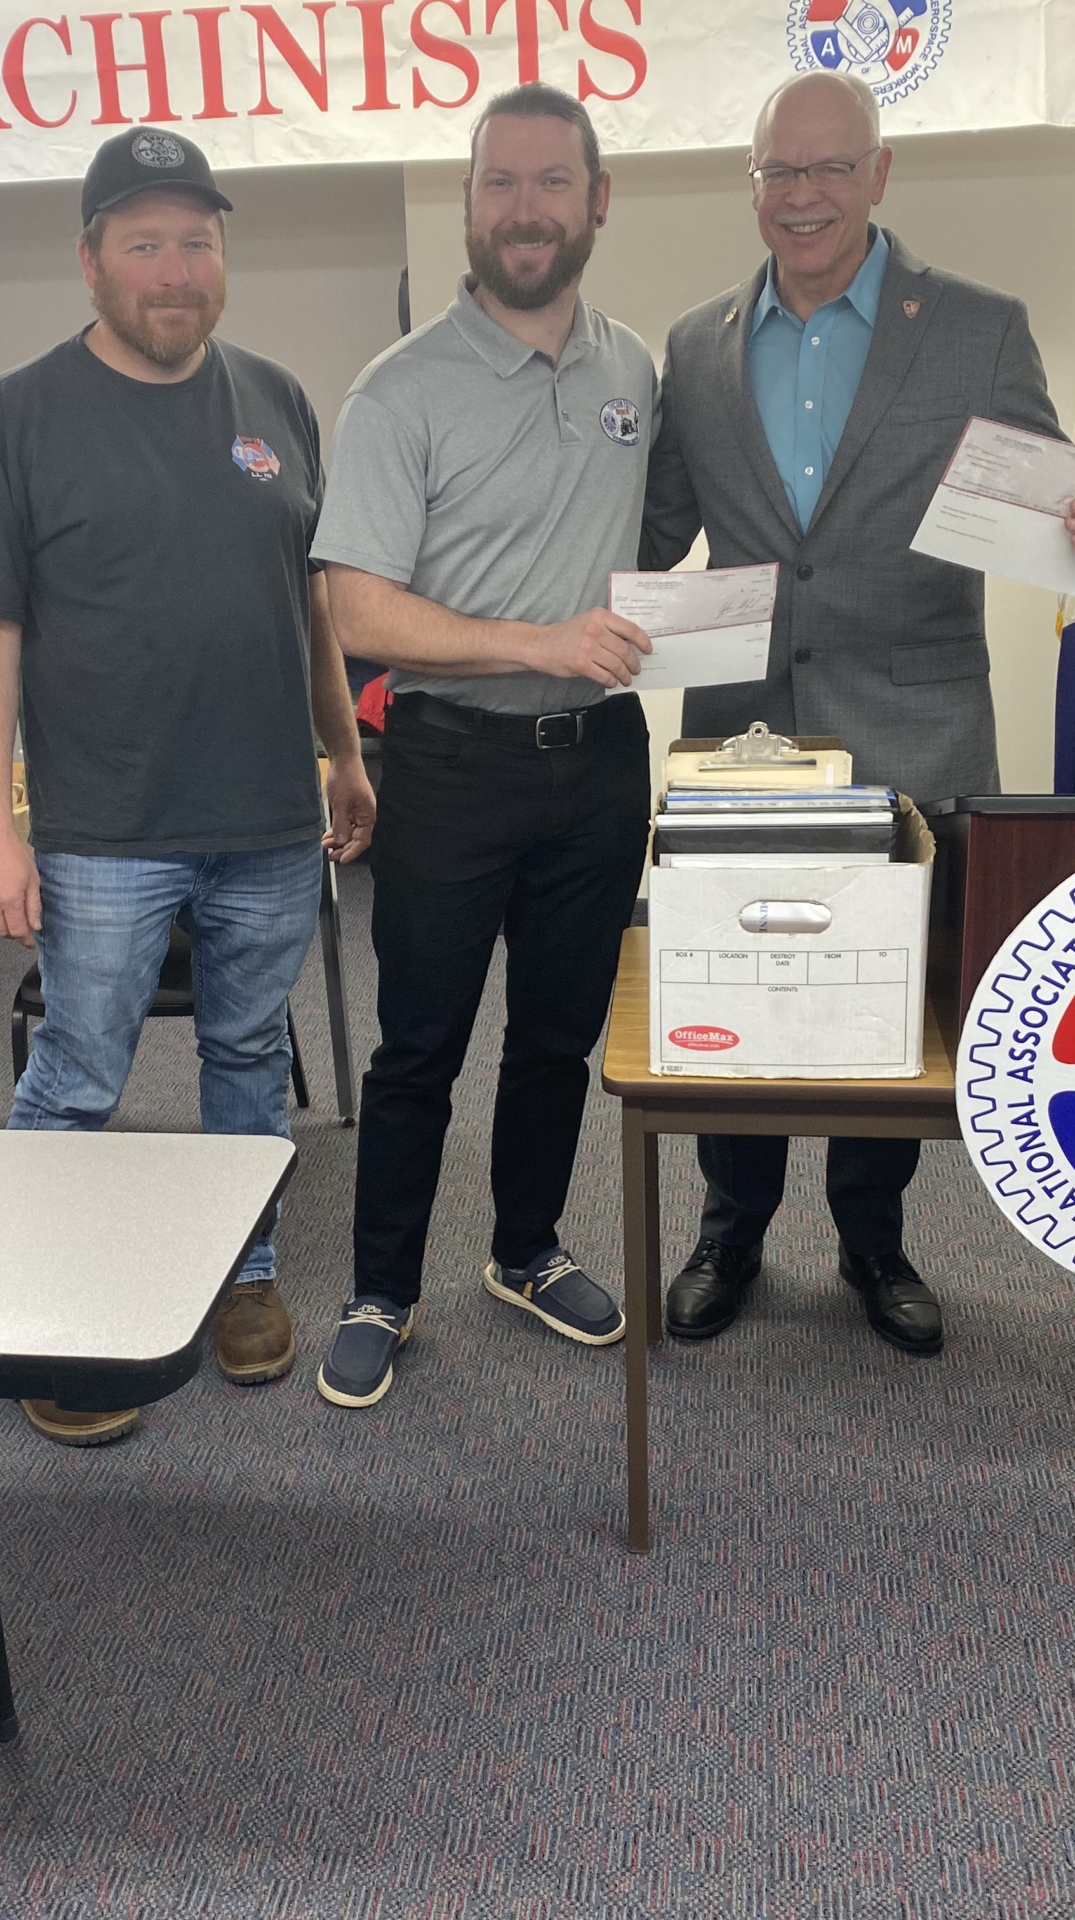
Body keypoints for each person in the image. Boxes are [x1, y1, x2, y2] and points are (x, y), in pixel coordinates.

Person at [640, 71, 1075, 1355]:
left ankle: (873, 1239)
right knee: (741, 989)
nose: (803, 194)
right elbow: (655, 533)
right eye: (779, 170)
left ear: (879, 174)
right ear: (751, 185)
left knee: (893, 1012)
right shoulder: (695, 346)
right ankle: (729, 1231)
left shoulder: (975, 328)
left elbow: (1058, 522)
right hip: (746, 742)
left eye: (829, 167)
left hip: (919, 734)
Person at [0, 128, 374, 1448]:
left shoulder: (276, 398)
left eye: (196, 241)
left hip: (267, 820)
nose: (174, 270)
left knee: (248, 1057)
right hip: (106, 832)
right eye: (144, 244)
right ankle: (51, 1312)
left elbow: (309, 602)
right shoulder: (17, 415)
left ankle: (242, 1275)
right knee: (78, 1074)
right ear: (91, 261)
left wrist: (345, 751)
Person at [309, 83, 659, 1410]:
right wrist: (537, 642)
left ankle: (524, 1250)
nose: (524, 208)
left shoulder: (633, 372)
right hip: (451, 763)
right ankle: (380, 1289)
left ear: (596, 201)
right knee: (420, 1046)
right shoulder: (398, 391)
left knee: (559, 1035)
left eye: (551, 181)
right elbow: (356, 608)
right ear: (467, 205)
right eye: (498, 183)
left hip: (601, 764)